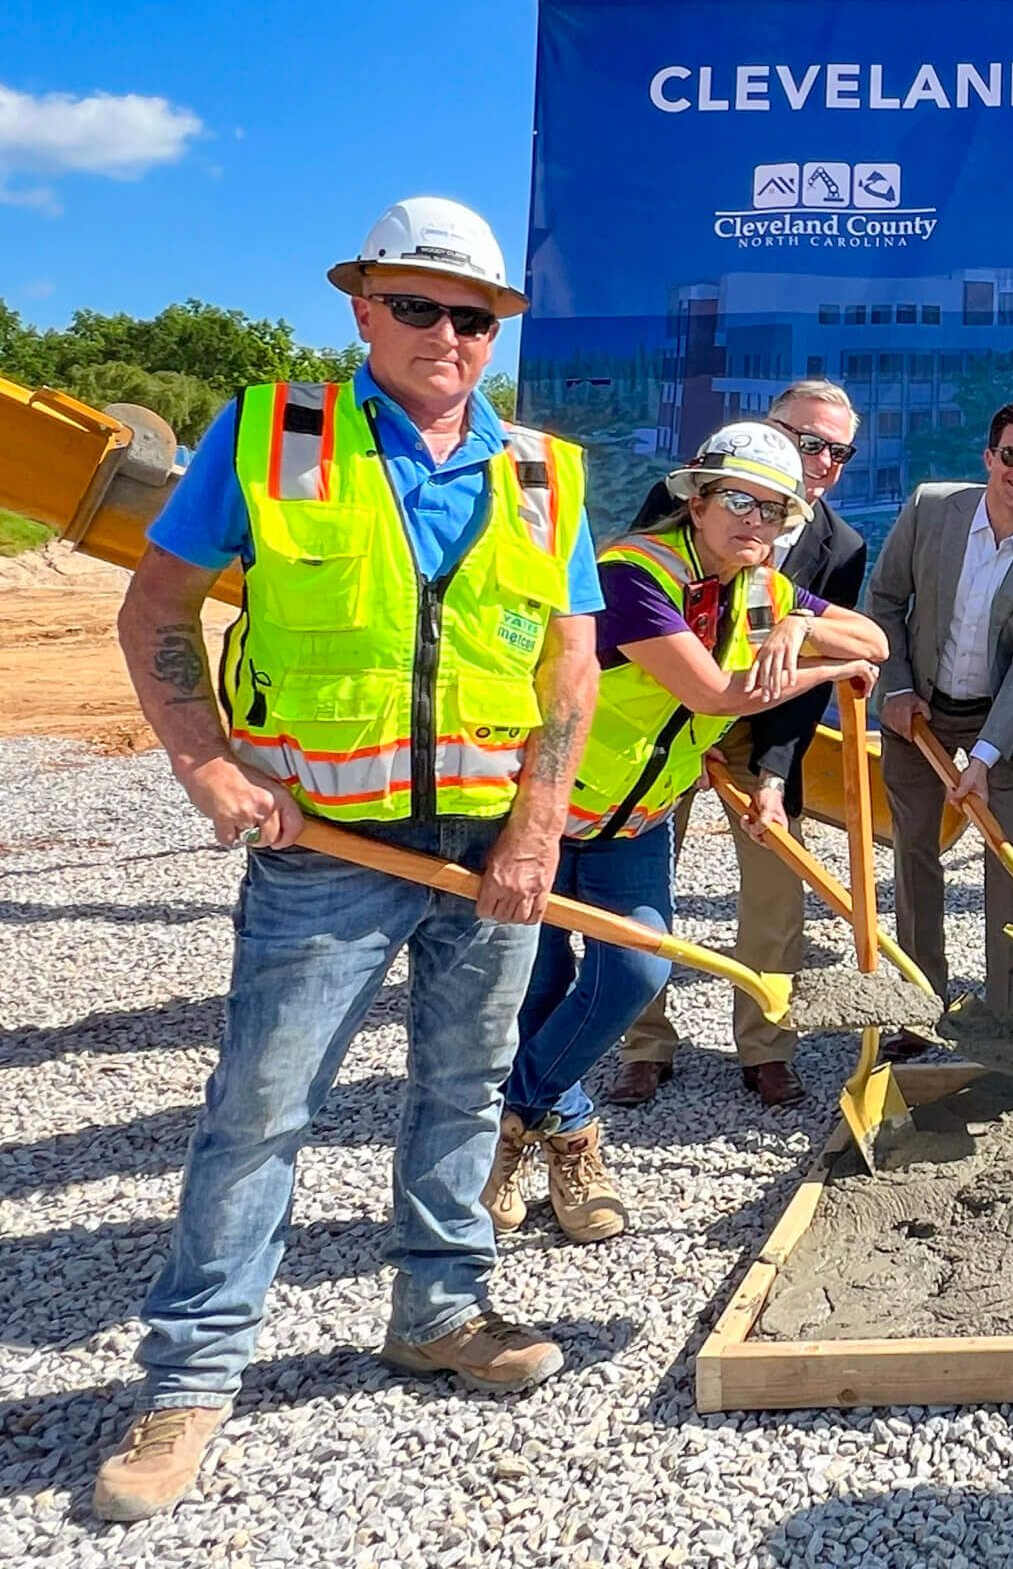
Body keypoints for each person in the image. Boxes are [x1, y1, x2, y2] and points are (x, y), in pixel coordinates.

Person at [97, 198, 604, 1522]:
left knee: (465, 1087)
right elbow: (156, 604)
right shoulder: (273, 437)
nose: (447, 333)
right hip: (322, 847)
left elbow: (569, 662)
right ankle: (193, 1380)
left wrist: (538, 829)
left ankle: (440, 1312)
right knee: (262, 1106)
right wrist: (205, 763)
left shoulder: (545, 473)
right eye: (418, 305)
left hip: (487, 853)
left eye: (472, 313)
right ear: (364, 309)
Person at [482, 421, 885, 1243]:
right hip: (546, 806)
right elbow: (712, 693)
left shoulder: (756, 585)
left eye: (776, 512)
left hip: (635, 821)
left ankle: (517, 1122)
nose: (756, 523)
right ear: (694, 500)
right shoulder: (633, 573)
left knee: (632, 969)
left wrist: (802, 628)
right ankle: (563, 1137)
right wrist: (828, 668)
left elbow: (875, 637)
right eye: (738, 501)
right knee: (540, 980)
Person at [614, 379, 872, 1108]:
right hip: (662, 719)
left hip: (760, 722)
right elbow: (646, 626)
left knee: (774, 888)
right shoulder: (682, 508)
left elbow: (820, 672)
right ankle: (644, 1041)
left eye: (838, 451)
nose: (821, 460)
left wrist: (773, 776)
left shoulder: (840, 546)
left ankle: (766, 1044)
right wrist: (683, 726)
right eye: (808, 441)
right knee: (641, 880)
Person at [870, 400, 1013, 1032]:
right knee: (914, 852)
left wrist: (988, 757)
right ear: (989, 456)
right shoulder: (930, 509)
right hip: (916, 711)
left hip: (1003, 720)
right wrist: (896, 689)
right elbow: (884, 599)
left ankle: (1008, 1018)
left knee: (1010, 858)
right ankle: (920, 1004)